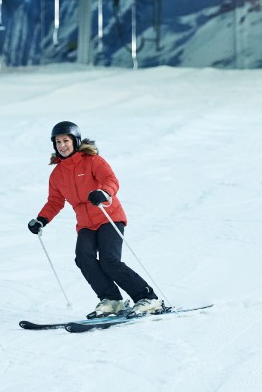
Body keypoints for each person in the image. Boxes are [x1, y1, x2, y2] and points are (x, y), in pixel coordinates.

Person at [27, 121, 162, 319]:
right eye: (58, 142)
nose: (62, 145)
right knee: (83, 258)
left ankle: (148, 298)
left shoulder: (93, 161)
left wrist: (104, 193)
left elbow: (111, 180)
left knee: (109, 260)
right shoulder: (57, 174)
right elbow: (55, 201)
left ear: (76, 141)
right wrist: (41, 220)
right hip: (85, 224)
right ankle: (112, 300)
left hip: (109, 216)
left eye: (66, 140)